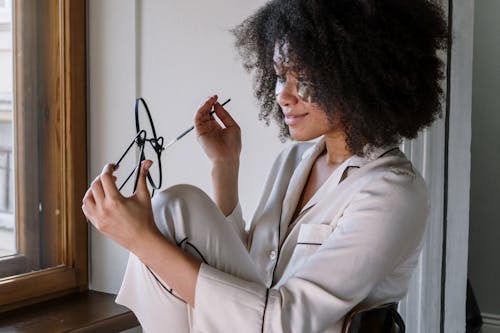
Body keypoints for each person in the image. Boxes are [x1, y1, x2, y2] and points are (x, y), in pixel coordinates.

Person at [81, 0, 448, 332]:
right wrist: (225, 164)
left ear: (358, 76)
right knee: (174, 204)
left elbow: (280, 321)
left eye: (303, 80)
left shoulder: (392, 193)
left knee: (163, 218)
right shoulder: (294, 162)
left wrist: (139, 240)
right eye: (278, 76)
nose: (283, 96)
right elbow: (248, 275)